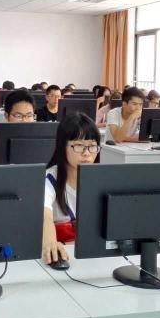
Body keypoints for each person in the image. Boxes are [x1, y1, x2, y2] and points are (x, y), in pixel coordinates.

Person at [42, 113, 100, 264]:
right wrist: (51, 242)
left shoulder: (102, 179)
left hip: (91, 255)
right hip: (61, 253)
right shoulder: (48, 179)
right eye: (79, 145)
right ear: (62, 147)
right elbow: (44, 214)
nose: (87, 153)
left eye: (92, 146)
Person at [0, 89, 36, 166]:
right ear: (6, 116)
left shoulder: (41, 135)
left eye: (29, 115)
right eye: (18, 116)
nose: (24, 120)